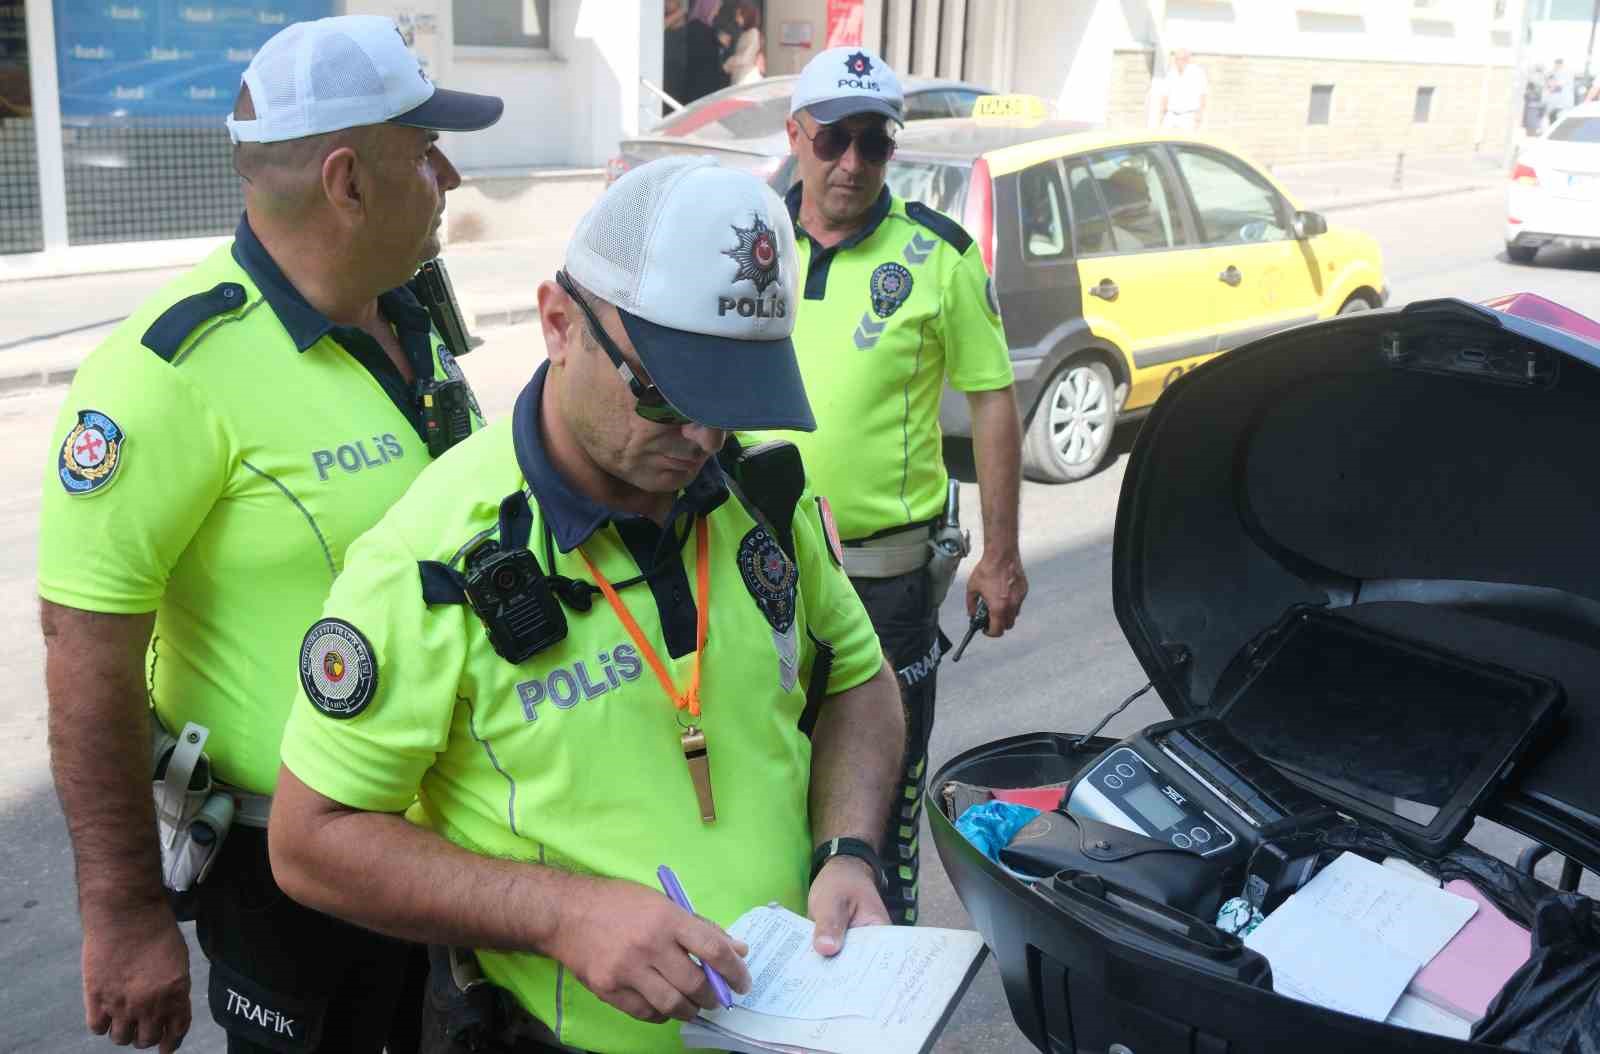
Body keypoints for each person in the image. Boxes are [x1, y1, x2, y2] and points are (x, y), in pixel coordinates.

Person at [266, 155, 906, 1054]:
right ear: (559, 323)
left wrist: (848, 848)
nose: (703, 438)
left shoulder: (755, 491)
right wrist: (561, 914)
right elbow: (309, 840)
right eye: (665, 393)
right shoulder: (431, 557)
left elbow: (860, 682)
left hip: (787, 1024)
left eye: (732, 397)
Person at [38, 15, 502, 1054]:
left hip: (456, 843)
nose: (451, 175)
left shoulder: (410, 313)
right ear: (347, 181)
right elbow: (85, 654)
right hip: (291, 877)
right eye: (424, 151)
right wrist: (121, 914)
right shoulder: (167, 372)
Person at [770, 46, 1028, 926]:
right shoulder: (749, 239)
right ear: (795, 135)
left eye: (873, 143)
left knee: (877, 797)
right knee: (765, 775)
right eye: (833, 139)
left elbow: (992, 403)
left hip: (884, 583)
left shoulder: (938, 256)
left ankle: (883, 963)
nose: (850, 164)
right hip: (753, 565)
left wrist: (1001, 555)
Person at [683, 0, 728, 103]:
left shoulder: (705, 29)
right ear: (706, 8)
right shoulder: (699, 29)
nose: (716, 13)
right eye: (715, 9)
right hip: (701, 87)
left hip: (702, 86)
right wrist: (718, 40)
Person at [1160, 47, 1208, 130]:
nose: (1179, 62)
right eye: (1176, 59)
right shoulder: (1171, 73)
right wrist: (1162, 115)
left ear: (1187, 59)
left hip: (1189, 115)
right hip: (1171, 115)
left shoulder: (1197, 72)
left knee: (1188, 141)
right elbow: (1165, 95)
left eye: (1181, 59)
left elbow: (1202, 94)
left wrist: (1199, 115)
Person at [722, 1, 765, 86]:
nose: (736, 18)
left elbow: (745, 57)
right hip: (740, 77)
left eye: (739, 15)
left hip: (746, 79)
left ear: (747, 15)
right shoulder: (745, 33)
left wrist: (729, 62)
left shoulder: (753, 33)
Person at [663, 0, 690, 114]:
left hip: (679, 71)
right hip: (665, 70)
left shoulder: (686, 26)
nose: (665, 4)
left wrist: (682, 11)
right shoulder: (664, 22)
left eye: (669, 1)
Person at [1543, 58, 1575, 131]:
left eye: (1558, 64)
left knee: (1560, 123)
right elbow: (1550, 84)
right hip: (1554, 103)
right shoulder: (1554, 72)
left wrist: (1551, 86)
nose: (1556, 66)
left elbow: (1557, 85)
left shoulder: (1566, 73)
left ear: (1561, 64)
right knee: (1552, 121)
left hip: (1563, 103)